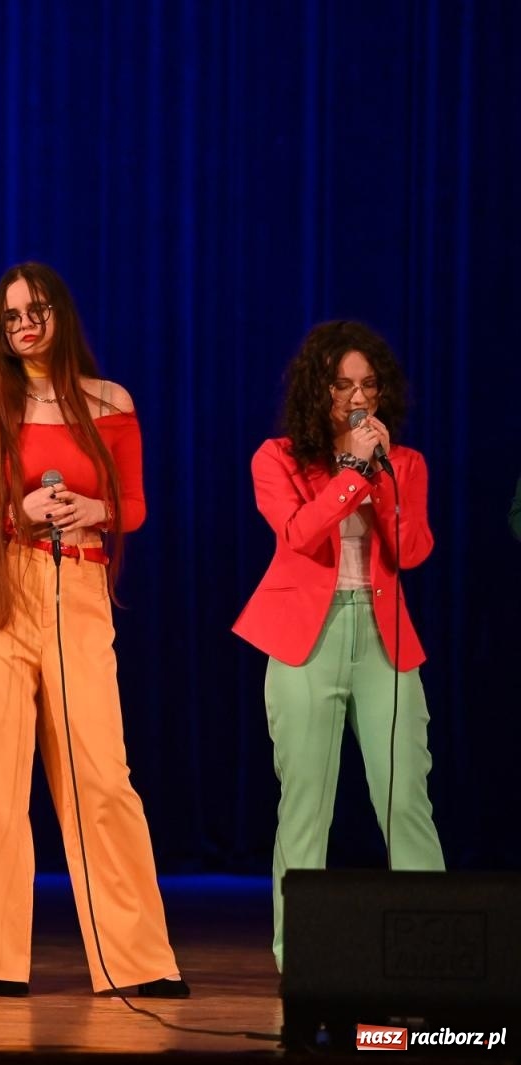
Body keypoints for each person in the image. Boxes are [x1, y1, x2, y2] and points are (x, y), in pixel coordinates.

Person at [0, 262, 186, 997]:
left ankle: (136, 960)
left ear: (60, 314)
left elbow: (135, 503)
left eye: (36, 309)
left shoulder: (109, 402)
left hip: (76, 583)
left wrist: (96, 510)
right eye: (11, 315)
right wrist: (14, 513)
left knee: (101, 774)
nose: (24, 324)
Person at [233, 320, 444, 971]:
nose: (358, 397)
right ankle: (298, 955)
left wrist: (376, 473)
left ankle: (435, 947)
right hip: (306, 640)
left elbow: (412, 549)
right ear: (318, 390)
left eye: (369, 384)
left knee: (405, 794)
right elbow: (299, 533)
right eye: (344, 384)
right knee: (305, 803)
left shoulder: (404, 462)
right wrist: (350, 469)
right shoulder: (277, 458)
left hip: (384, 639)